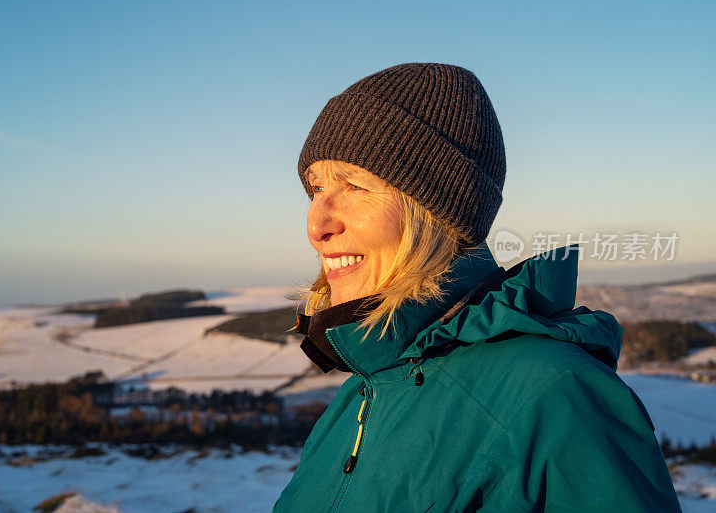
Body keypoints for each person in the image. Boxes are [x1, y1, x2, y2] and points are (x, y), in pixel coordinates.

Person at [273, 63, 681, 512]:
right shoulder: (362, 395)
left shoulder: (557, 396)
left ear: (439, 210)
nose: (316, 224)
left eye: (354, 186)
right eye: (315, 190)